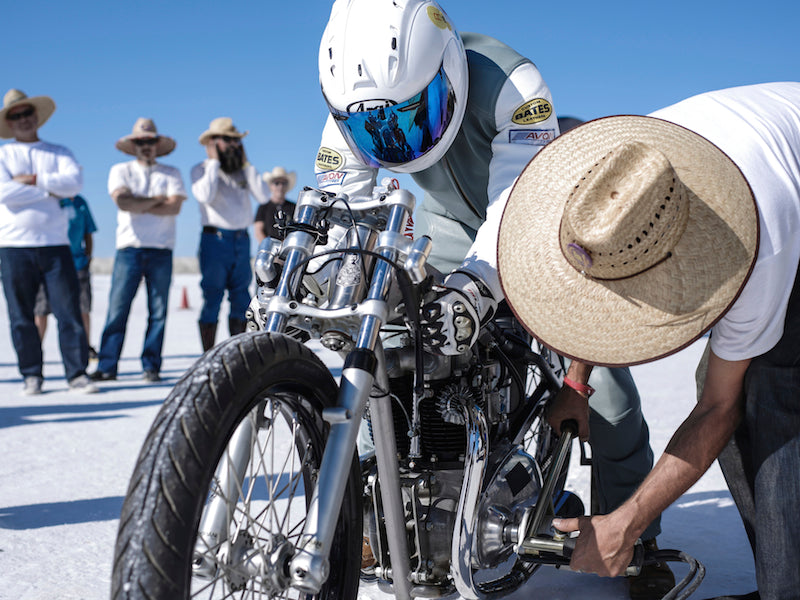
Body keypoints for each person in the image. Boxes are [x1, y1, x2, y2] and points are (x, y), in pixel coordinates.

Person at [314, 1, 670, 596]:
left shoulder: (512, 83)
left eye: (410, 116)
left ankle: (637, 534)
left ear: (446, 71)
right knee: (388, 350)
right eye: (377, 129)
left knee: (603, 388)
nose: (396, 138)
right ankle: (384, 514)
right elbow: (342, 207)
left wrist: (476, 292)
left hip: (550, 211)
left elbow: (515, 213)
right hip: (450, 222)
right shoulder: (350, 111)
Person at [497, 82, 800, 600]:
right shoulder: (624, 182)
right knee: (721, 376)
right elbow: (600, 283)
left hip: (782, 202)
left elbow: (719, 408)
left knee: (771, 391)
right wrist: (575, 380)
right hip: (763, 157)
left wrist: (629, 521)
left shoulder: (759, 249)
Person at [0, 88, 97, 395]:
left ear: (36, 116)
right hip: (13, 246)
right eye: (15, 116)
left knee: (69, 311)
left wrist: (29, 180)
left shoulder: (59, 151)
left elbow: (74, 184)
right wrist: (50, 189)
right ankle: (32, 374)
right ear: (9, 122)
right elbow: (3, 194)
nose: (23, 120)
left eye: (27, 113)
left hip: (56, 245)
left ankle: (77, 373)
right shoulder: (3, 154)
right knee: (21, 315)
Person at [91, 118, 186, 383]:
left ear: (157, 144)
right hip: (129, 249)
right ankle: (107, 366)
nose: (146, 146)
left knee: (158, 312)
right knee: (117, 310)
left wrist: (140, 203)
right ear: (133, 145)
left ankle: (151, 366)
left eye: (150, 141)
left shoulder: (172, 173)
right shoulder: (120, 170)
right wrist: (158, 200)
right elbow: (123, 202)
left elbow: (174, 207)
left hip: (161, 249)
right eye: (141, 141)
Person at [191, 117, 270, 351]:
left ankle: (236, 351)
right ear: (212, 142)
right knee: (212, 297)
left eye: (236, 140)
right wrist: (214, 161)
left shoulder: (242, 173)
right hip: (215, 241)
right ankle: (209, 354)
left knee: (241, 298)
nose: (234, 144)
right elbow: (204, 195)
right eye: (228, 140)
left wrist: (246, 164)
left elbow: (264, 197)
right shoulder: (201, 170)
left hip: (240, 240)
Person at [34, 194, 98, 360]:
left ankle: (85, 347)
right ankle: (35, 350)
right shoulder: (48, 199)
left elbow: (88, 232)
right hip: (49, 263)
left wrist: (88, 257)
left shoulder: (80, 202)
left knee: (82, 307)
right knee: (41, 308)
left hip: (77, 264)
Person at [253, 166, 297, 243]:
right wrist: (268, 248)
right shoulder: (263, 207)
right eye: (277, 183)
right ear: (271, 185)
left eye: (284, 183)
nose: (280, 186)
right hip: (269, 250)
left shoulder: (294, 207)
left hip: (289, 250)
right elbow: (258, 232)